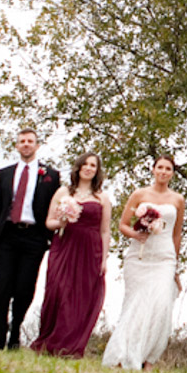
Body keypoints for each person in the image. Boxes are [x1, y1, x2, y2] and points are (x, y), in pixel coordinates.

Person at [103, 155, 185, 370]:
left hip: (164, 257)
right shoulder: (140, 194)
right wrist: (136, 234)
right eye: (160, 167)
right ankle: (124, 355)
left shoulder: (178, 200)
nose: (163, 172)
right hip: (139, 256)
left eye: (168, 169)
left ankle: (148, 359)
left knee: (160, 306)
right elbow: (122, 225)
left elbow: (177, 235)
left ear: (172, 173)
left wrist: (175, 266)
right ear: (153, 169)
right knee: (136, 305)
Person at [0, 128, 61, 350]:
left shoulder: (51, 175)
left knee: (24, 288)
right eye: (22, 141)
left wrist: (49, 238)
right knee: (1, 287)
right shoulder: (4, 174)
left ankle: (15, 331)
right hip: (7, 234)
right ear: (17, 146)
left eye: (30, 141)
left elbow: (53, 208)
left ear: (37, 146)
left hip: (34, 237)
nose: (26, 144)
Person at [32, 153, 113, 358]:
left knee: (82, 297)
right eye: (85, 164)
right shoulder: (63, 192)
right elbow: (49, 222)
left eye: (93, 165)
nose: (88, 168)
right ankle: (50, 341)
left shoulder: (102, 197)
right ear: (78, 168)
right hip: (65, 246)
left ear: (97, 170)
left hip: (90, 250)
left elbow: (105, 230)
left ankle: (71, 346)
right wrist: (63, 221)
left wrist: (103, 259)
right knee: (58, 291)